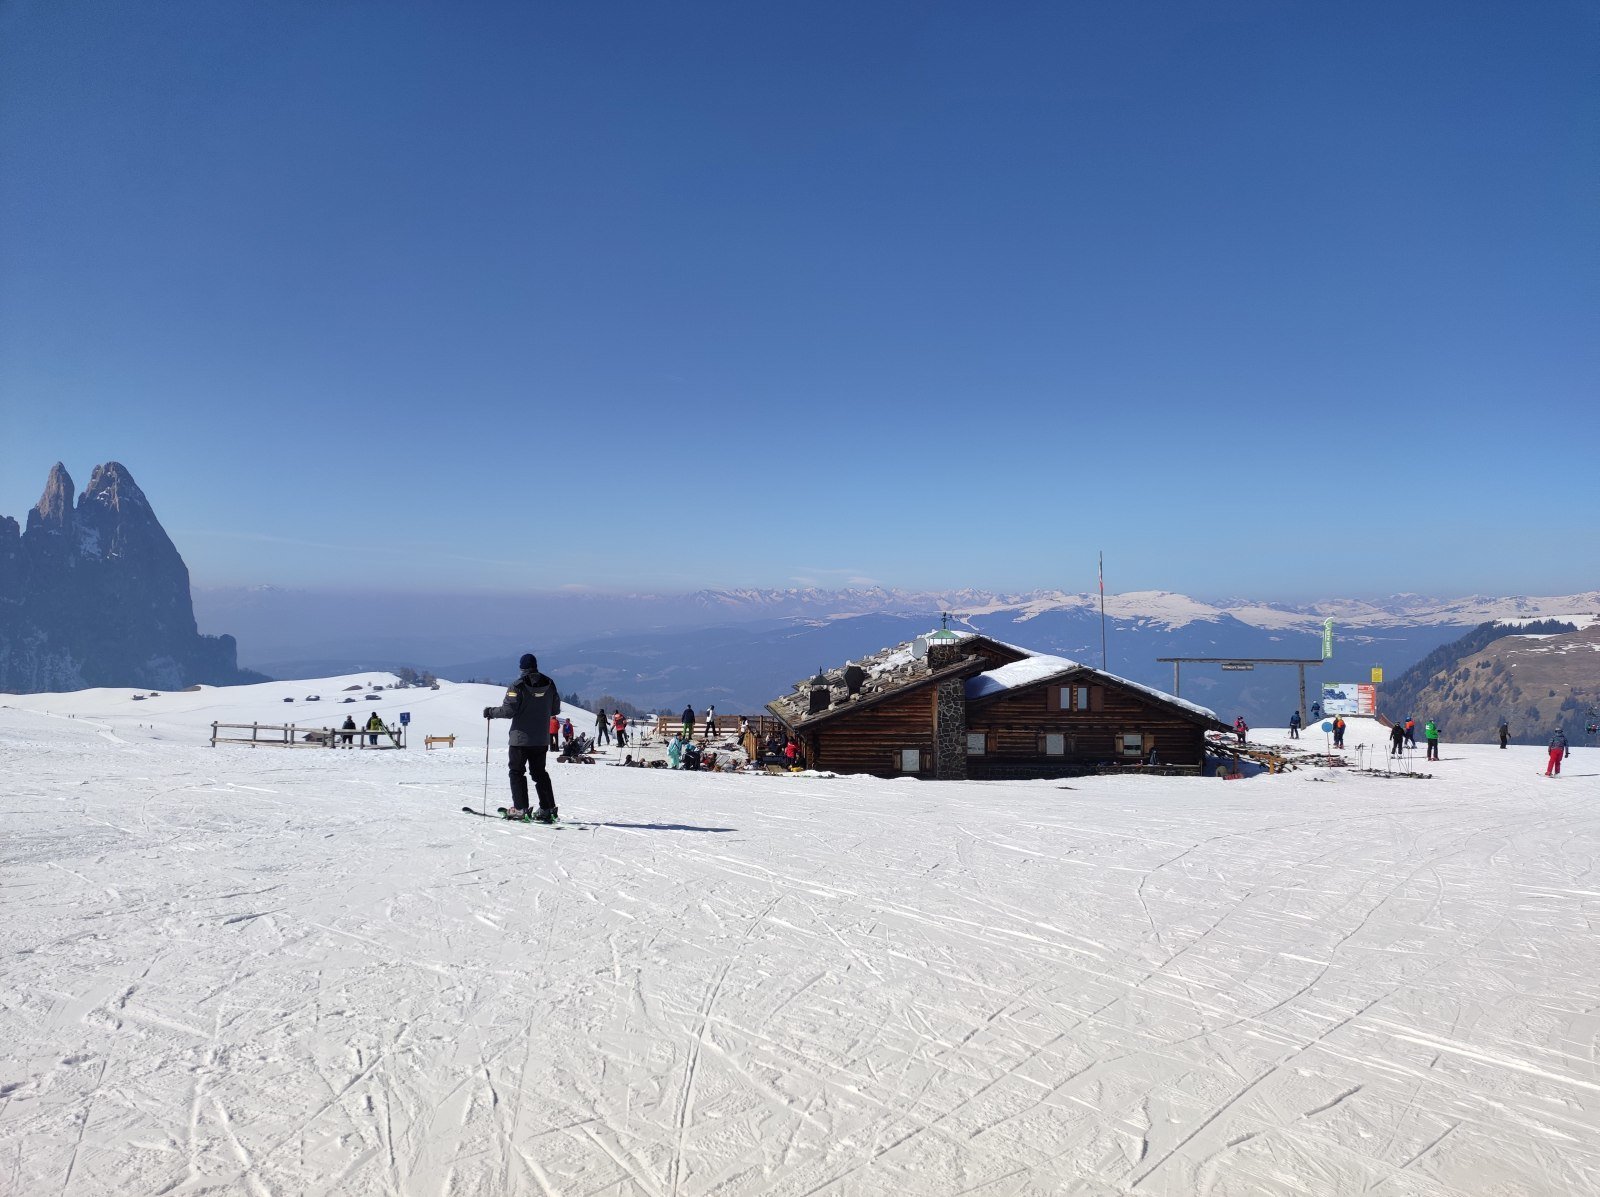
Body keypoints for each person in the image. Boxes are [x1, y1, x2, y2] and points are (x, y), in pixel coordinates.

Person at [483, 653, 561, 822]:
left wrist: (490, 712)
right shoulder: (549, 683)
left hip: (520, 739)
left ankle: (520, 808)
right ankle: (548, 809)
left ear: (521, 668)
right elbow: (555, 710)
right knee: (539, 773)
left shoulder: (517, 686)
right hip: (541, 738)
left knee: (517, 772)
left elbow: (508, 711)